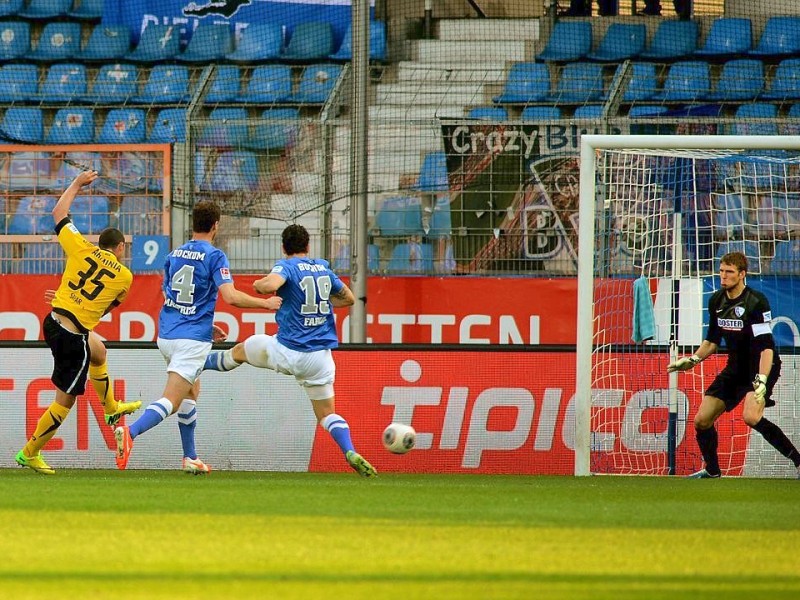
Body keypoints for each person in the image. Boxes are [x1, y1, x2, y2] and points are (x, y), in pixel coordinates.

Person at [114, 201, 282, 473]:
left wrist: (206, 323)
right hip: (190, 339)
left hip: (168, 334)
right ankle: (130, 433)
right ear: (216, 225)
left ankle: (190, 457)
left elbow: (176, 296)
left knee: (193, 388)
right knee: (171, 400)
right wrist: (265, 304)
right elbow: (230, 296)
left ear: (194, 223)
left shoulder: (173, 255)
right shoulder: (215, 256)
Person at [203, 224, 377, 477]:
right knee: (327, 414)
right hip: (320, 358)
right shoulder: (323, 268)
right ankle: (349, 450)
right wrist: (322, 302)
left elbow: (270, 285)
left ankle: (198, 364)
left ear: (284, 247)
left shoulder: (286, 266)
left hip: (288, 350)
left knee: (239, 351)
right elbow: (348, 298)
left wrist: (259, 285)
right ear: (308, 246)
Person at [16, 170, 139, 474]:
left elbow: (58, 211)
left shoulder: (81, 247)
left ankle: (111, 408)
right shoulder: (125, 277)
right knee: (65, 402)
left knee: (98, 350)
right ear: (121, 248)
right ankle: (30, 452)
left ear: (100, 243)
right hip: (71, 336)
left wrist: (78, 183)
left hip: (53, 320)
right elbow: (103, 308)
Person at [667, 251, 800, 479]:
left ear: (742, 274)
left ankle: (798, 461)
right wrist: (693, 360)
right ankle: (712, 470)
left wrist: (762, 380)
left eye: (729, 272)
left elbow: (766, 347)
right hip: (735, 367)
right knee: (702, 420)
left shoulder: (756, 302)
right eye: (721, 271)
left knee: (751, 416)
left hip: (760, 365)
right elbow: (711, 341)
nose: (723, 276)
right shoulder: (716, 300)